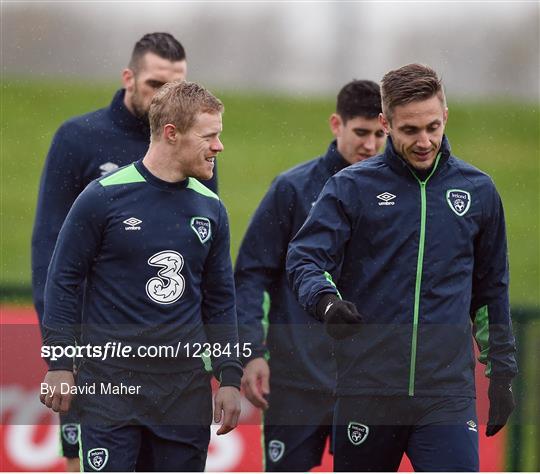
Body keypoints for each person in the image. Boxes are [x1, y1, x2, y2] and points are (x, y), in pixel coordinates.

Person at [286, 64, 517, 471]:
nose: (425, 141)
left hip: (446, 395)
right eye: (410, 130)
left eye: (433, 126)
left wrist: (501, 373)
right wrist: (325, 302)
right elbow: (305, 257)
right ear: (385, 123)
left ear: (445, 116)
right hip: (367, 391)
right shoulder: (351, 187)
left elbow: (490, 290)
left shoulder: (478, 191)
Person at [31, 32, 218, 470]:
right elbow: (52, 257)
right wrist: (61, 352)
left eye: (177, 86)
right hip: (98, 359)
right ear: (128, 78)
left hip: (171, 367)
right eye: (156, 85)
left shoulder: (197, 147)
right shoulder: (78, 139)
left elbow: (204, 257)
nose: (166, 98)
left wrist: (217, 358)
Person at [235, 80, 385, 471]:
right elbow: (251, 273)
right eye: (361, 133)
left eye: (379, 135)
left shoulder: (400, 198)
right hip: (295, 379)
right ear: (336, 124)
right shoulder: (292, 189)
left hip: (369, 382)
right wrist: (251, 352)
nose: (370, 145)